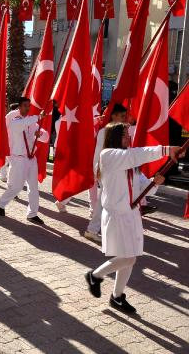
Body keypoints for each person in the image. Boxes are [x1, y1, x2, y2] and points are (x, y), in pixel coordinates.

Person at [84, 122, 183, 314]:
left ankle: (117, 296)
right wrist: (165, 149)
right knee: (128, 257)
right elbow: (134, 155)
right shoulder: (108, 156)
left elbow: (142, 186)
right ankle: (95, 276)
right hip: (117, 215)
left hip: (131, 215)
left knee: (130, 257)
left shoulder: (130, 164)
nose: (128, 138)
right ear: (114, 137)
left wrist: (155, 183)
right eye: (124, 135)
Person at [0, 97, 49, 225]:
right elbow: (19, 126)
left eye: (28, 106)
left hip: (31, 158)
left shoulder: (31, 122)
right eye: (24, 106)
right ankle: (1, 203)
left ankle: (32, 214)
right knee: (17, 187)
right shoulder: (14, 121)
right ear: (19, 107)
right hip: (18, 159)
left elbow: (46, 137)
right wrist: (38, 117)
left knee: (33, 187)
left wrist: (40, 134)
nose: (27, 108)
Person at [81, 104, 128, 243]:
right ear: (113, 116)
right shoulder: (105, 132)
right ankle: (93, 229)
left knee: (108, 201)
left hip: (117, 171)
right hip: (107, 172)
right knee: (104, 202)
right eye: (122, 116)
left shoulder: (122, 131)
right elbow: (99, 154)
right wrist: (98, 171)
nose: (124, 118)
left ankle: (98, 229)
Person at [0, 103, 20, 182]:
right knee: (7, 160)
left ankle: (4, 175)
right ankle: (3, 175)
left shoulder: (18, 118)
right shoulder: (8, 117)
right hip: (7, 141)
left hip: (14, 142)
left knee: (8, 160)